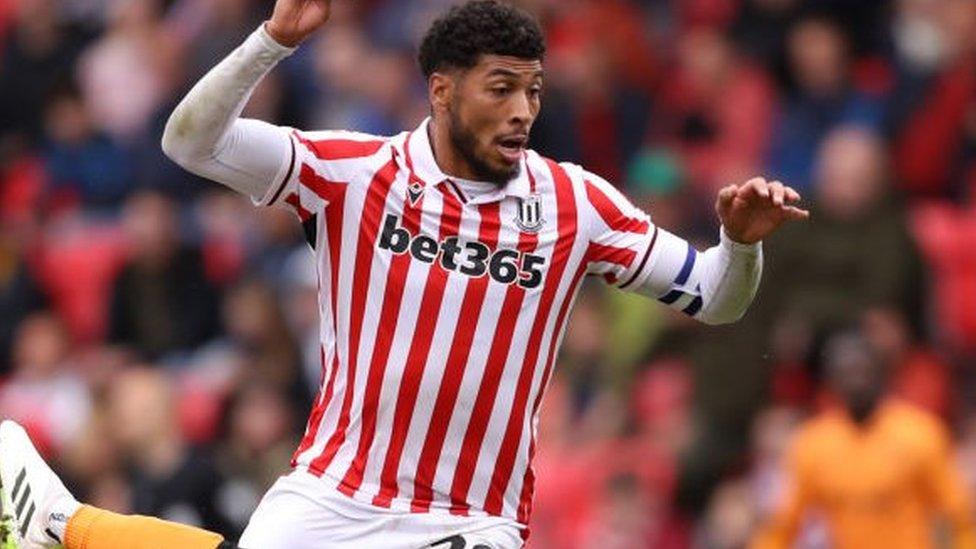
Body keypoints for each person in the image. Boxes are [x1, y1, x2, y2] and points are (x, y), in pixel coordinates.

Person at [0, 1, 807, 548]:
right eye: (501, 89)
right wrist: (272, 42)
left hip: (472, 514)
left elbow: (714, 299)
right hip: (333, 490)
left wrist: (740, 244)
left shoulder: (574, 202)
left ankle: (62, 522)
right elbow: (189, 143)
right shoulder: (353, 172)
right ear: (442, 89)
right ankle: (59, 522)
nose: (524, 110)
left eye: (532, 89)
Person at [752, 330, 976, 549]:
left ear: (881, 374)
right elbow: (781, 527)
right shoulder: (813, 445)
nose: (856, 383)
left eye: (863, 371)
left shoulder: (920, 434)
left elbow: (960, 517)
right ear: (831, 382)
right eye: (845, 374)